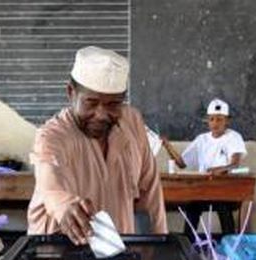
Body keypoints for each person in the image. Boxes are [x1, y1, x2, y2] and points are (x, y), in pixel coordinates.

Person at [27, 46, 167, 244]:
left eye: (113, 105)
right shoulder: (52, 136)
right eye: (90, 102)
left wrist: (159, 249)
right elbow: (50, 182)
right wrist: (64, 205)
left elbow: (150, 193)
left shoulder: (132, 122)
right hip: (58, 258)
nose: (101, 115)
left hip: (116, 255)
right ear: (70, 93)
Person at [162, 98, 247, 236]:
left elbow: (235, 163)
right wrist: (168, 146)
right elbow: (182, 164)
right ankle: (188, 243)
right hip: (203, 189)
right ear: (207, 121)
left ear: (227, 121)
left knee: (223, 206)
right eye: (212, 119)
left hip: (224, 190)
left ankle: (230, 245)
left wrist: (221, 169)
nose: (215, 123)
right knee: (193, 206)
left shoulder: (233, 137)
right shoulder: (202, 139)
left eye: (220, 119)